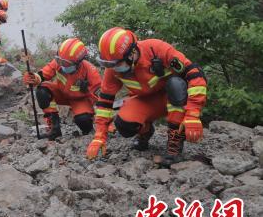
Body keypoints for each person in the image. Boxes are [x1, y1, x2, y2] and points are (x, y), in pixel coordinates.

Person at [86, 27, 207, 165]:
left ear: (131, 53)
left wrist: (193, 114)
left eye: (116, 63)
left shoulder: (157, 49)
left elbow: (195, 75)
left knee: (176, 85)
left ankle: (175, 145)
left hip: (174, 98)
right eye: (108, 64)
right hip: (148, 101)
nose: (113, 68)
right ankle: (146, 132)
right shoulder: (113, 70)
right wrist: (99, 136)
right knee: (124, 124)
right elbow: (104, 102)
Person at [23, 37, 102, 139]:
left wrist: (105, 123)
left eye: (66, 63)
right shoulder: (58, 63)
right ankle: (54, 129)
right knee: (42, 90)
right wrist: (33, 78)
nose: (62, 65)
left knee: (83, 120)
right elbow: (43, 75)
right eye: (59, 60)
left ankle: (88, 130)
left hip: (80, 100)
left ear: (78, 63)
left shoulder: (90, 71)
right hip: (61, 93)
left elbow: (101, 100)